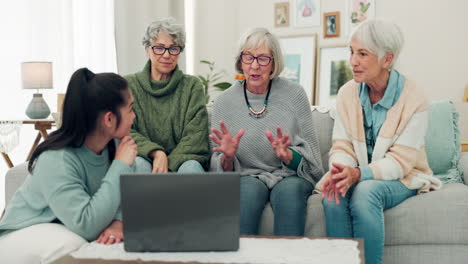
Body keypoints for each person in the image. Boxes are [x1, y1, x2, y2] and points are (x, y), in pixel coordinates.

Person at [317, 19, 442, 264]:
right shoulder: (347, 93)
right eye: (351, 52)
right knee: (331, 193)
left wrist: (358, 174)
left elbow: (400, 162)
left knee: (366, 191)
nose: (353, 61)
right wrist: (341, 170)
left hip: (404, 175)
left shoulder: (415, 98)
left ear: (387, 59)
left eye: (362, 54)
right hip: (359, 171)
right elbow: (342, 145)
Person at [0, 68, 137, 262]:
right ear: (109, 119)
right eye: (130, 109)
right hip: (23, 233)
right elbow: (86, 225)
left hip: (66, 225)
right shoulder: (56, 159)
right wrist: (120, 165)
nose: (134, 117)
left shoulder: (114, 146)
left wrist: (118, 222)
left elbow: (135, 187)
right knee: (74, 246)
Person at [210, 28, 324, 236]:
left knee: (289, 194)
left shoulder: (295, 95)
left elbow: (314, 162)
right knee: (246, 195)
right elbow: (219, 171)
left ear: (274, 63)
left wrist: (289, 156)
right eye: (248, 57)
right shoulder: (224, 102)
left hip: (290, 177)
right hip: (247, 176)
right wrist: (227, 157)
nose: (254, 65)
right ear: (240, 61)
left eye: (263, 58)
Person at [125, 18, 209, 173]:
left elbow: (196, 137)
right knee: (139, 165)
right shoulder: (129, 85)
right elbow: (125, 131)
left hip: (184, 161)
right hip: (145, 158)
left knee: (192, 169)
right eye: (159, 48)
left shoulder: (192, 86)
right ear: (147, 50)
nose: (166, 55)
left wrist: (166, 165)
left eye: (173, 49)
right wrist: (156, 153)